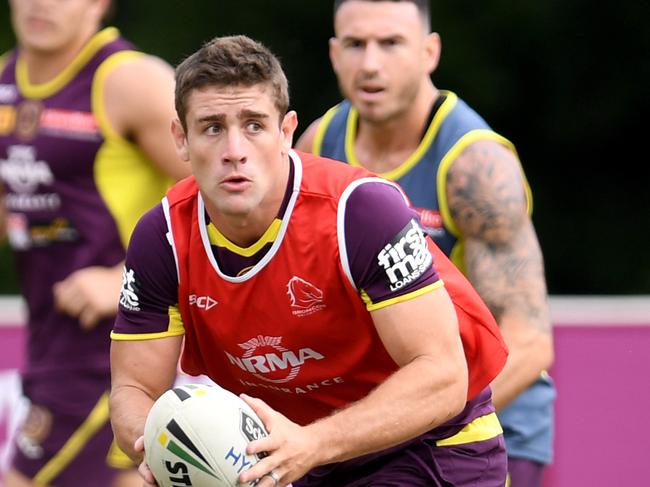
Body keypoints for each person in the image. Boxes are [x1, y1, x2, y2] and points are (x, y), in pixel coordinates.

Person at [109, 34, 511, 487]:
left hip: (431, 442)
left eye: (255, 125)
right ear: (181, 139)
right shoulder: (161, 236)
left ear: (286, 132)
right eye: (212, 127)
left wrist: (313, 444)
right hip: (292, 452)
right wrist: (161, 442)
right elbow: (133, 389)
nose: (234, 149)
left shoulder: (359, 212)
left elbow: (443, 376)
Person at [295, 1, 555, 485]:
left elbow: (530, 342)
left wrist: (410, 419)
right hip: (381, 422)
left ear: (429, 52)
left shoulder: (475, 165)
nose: (370, 63)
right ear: (333, 54)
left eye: (391, 43)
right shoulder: (318, 143)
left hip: (489, 427)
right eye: (355, 44)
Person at [0, 0, 190, 485]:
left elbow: (243, 194)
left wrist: (124, 277)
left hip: (113, 349)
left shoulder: (131, 82)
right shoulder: (5, 81)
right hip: (48, 345)